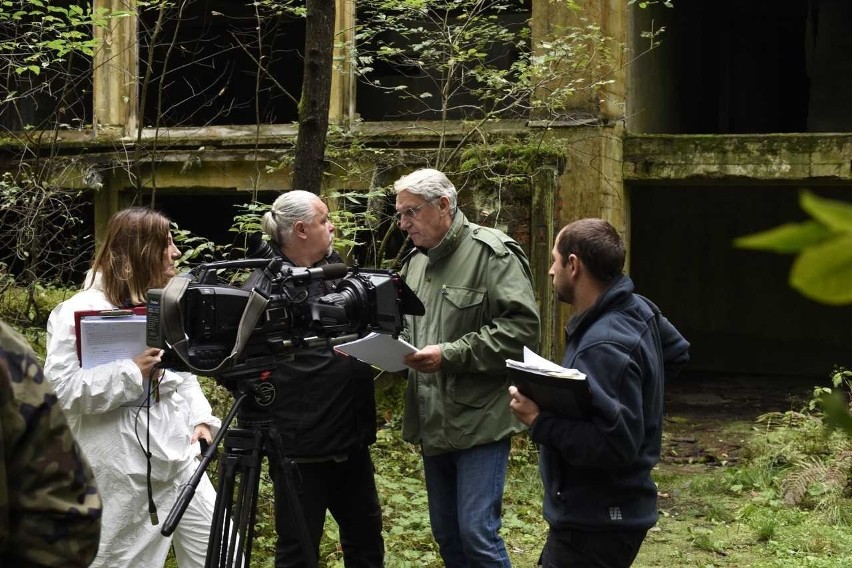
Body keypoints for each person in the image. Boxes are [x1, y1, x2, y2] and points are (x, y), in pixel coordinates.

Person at [44, 207, 222, 568]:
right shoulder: (79, 311)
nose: (176, 253)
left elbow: (182, 374)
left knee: (218, 552)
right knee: (118, 561)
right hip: (121, 469)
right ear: (139, 252)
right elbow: (60, 391)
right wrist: (131, 371)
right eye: (166, 244)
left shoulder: (162, 303)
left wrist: (200, 419)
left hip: (179, 461)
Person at [508, 218, 690, 568]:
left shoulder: (603, 345)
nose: (550, 271)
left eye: (555, 260)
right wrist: (637, 395)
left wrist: (539, 420)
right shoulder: (638, 308)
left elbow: (614, 446)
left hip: (596, 522)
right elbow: (676, 353)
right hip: (604, 514)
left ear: (573, 266)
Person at [393, 168, 541, 567]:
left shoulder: (493, 252)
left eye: (411, 212)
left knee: (477, 534)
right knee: (447, 536)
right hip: (432, 418)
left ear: (443, 205)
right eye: (400, 215)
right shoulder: (414, 264)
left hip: (480, 419)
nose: (404, 224)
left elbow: (522, 331)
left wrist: (450, 354)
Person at [253, 190, 384, 568]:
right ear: (300, 229)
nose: (333, 226)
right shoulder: (262, 288)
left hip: (352, 442)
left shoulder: (337, 272)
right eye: (325, 220)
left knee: (366, 544)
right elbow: (244, 371)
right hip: (300, 451)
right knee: (299, 552)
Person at [0, 319, 102, 567]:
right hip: (109, 449)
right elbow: (64, 387)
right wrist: (130, 371)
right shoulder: (6, 350)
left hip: (168, 455)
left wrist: (200, 418)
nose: (171, 276)